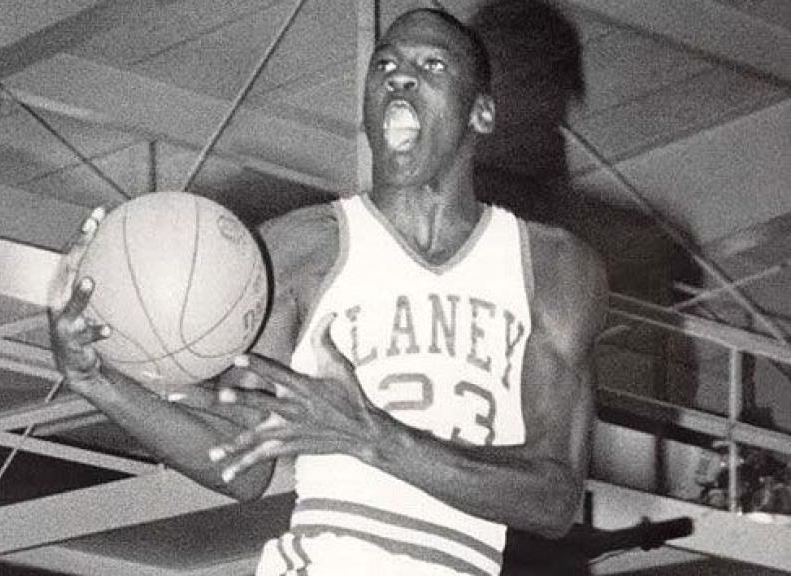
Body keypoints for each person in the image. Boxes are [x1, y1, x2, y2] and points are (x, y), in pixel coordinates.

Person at [49, 8, 607, 576]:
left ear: (480, 112)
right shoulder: (297, 249)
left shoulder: (554, 267)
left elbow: (553, 500)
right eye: (384, 64)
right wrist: (96, 380)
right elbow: (240, 463)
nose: (399, 76)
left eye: (431, 64)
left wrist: (370, 435)